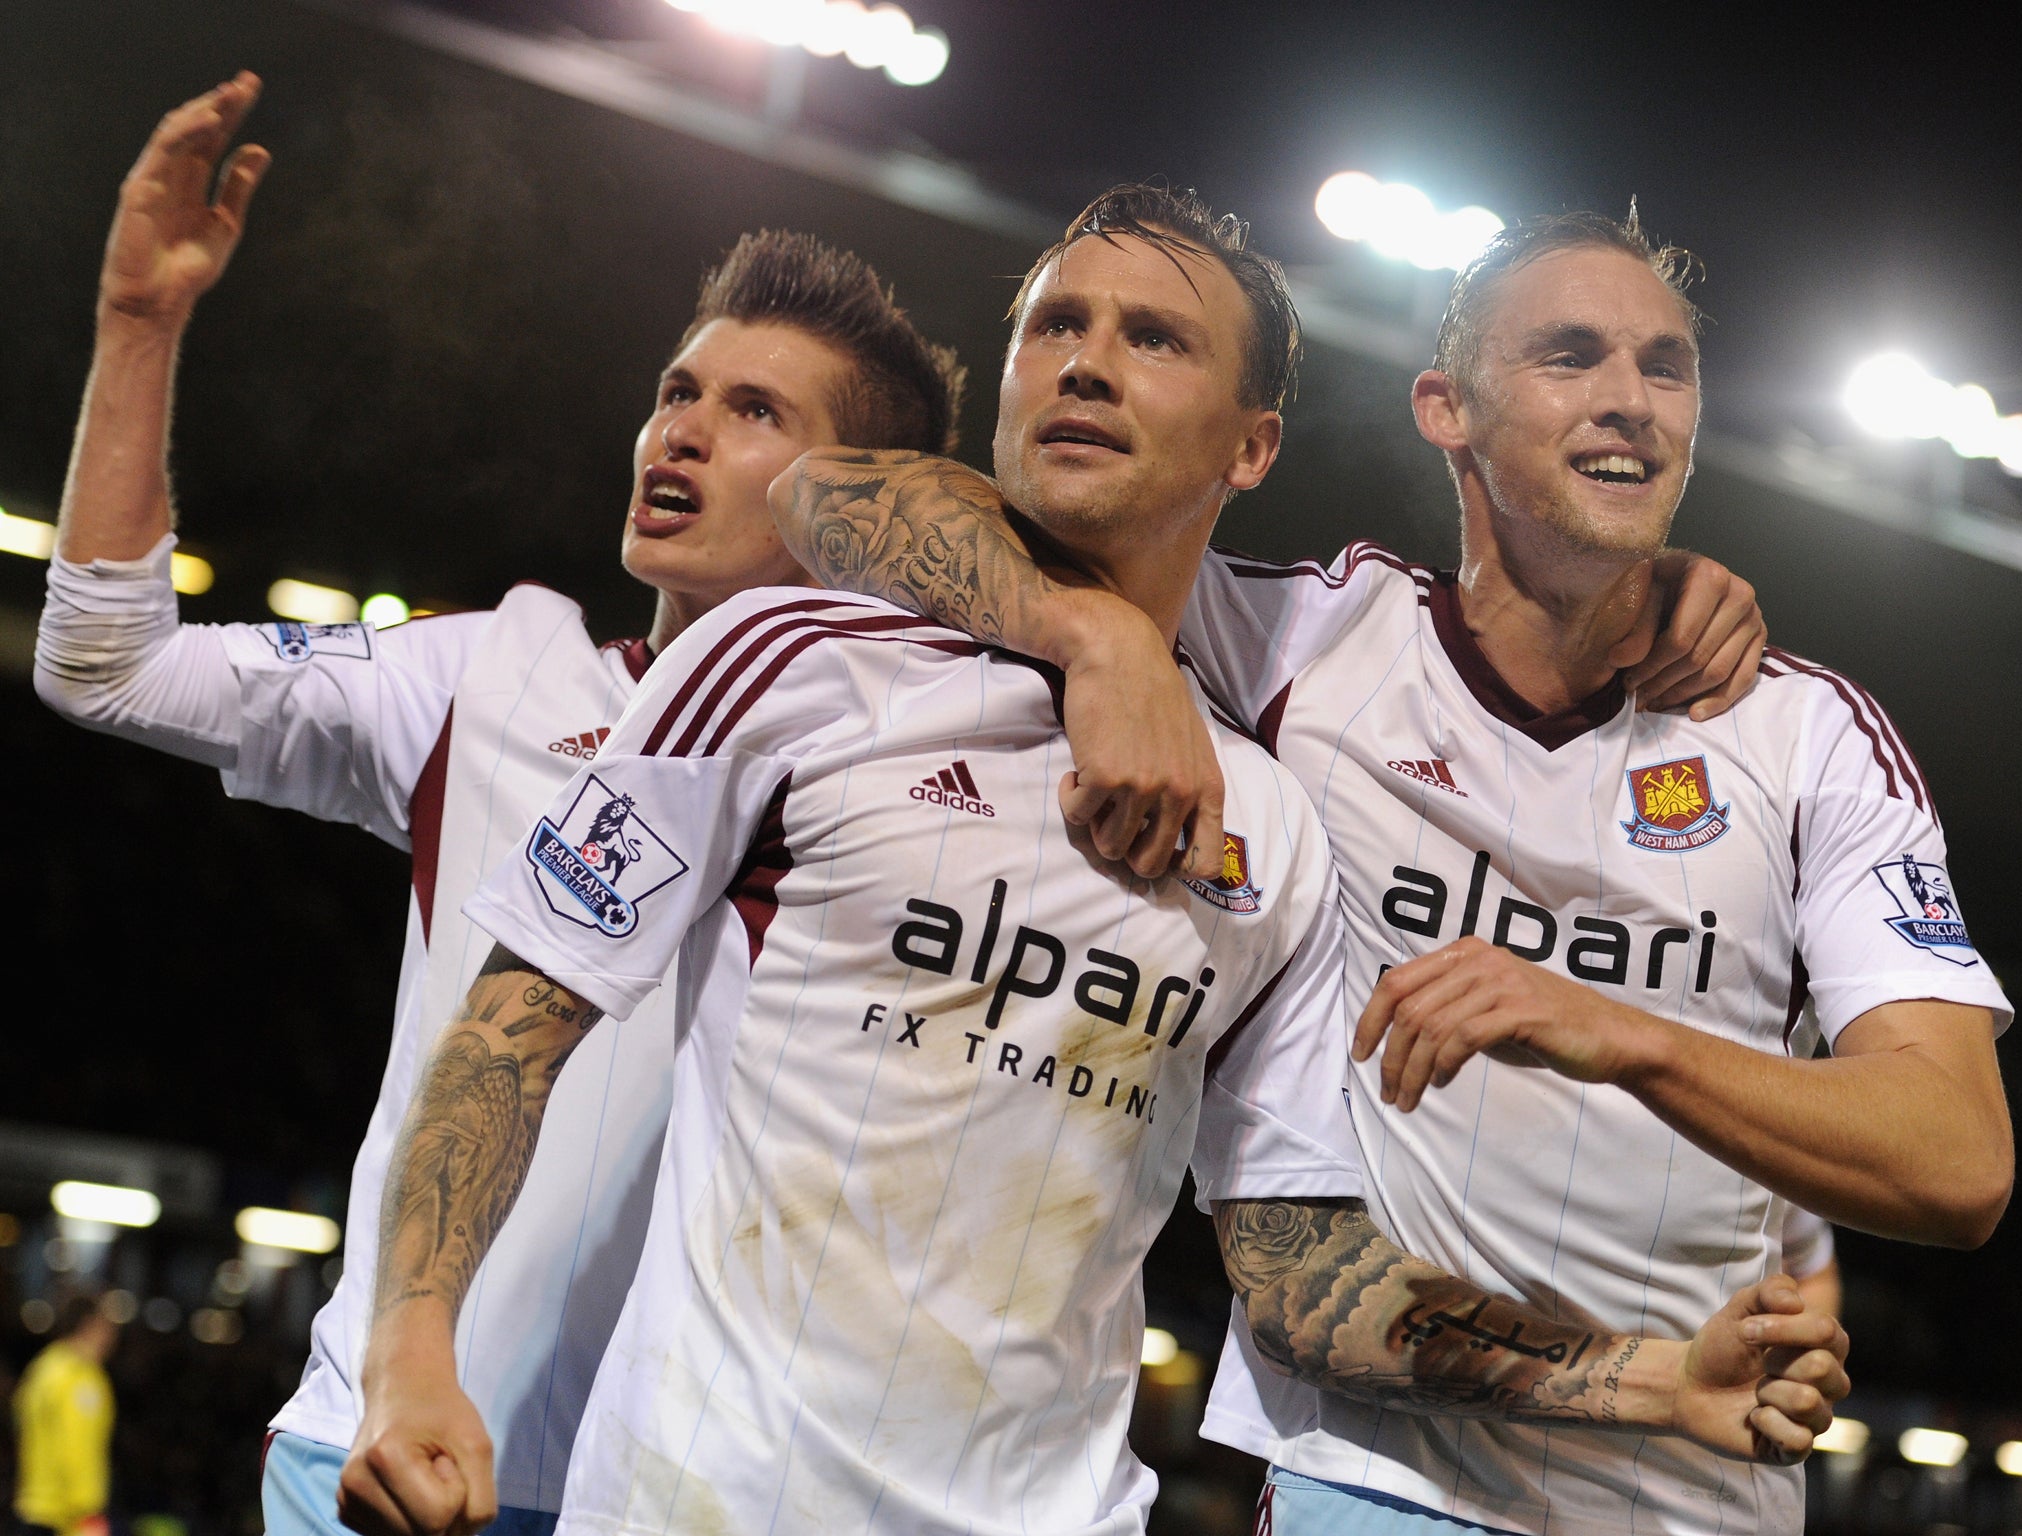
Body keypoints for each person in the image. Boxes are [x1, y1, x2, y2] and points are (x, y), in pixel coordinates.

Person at [340, 186, 1846, 1536]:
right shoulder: (775, 658)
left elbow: (1307, 1280)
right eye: (1054, 323)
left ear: (1256, 445)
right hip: (696, 1503)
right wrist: (412, 1363)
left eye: (1153, 339)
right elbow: (508, 1035)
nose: (1085, 359)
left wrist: (1656, 1379)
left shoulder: (1274, 825)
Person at [768, 201, 2011, 1533]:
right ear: (1447, 409)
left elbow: (1956, 1163)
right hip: (1368, 1484)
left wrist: (1622, 1035)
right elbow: (833, 495)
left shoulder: (1809, 733)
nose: (1628, 402)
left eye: (1665, 367)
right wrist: (1107, 639)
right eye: (1571, 356)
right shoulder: (1303, 645)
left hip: (1694, 1494)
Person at [32, 74, 963, 1536]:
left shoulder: (927, 777)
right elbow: (107, 663)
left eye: (754, 410)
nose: (686, 429)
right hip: (379, 1449)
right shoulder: (502, 671)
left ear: (861, 498)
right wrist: (142, 327)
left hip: (680, 1494)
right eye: (678, 391)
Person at [12, 1294, 119, 1536]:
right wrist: (88, 1513)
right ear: (92, 1323)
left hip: (31, 1506)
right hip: (65, 1517)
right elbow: (77, 1446)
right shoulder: (81, 1378)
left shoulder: (43, 1367)